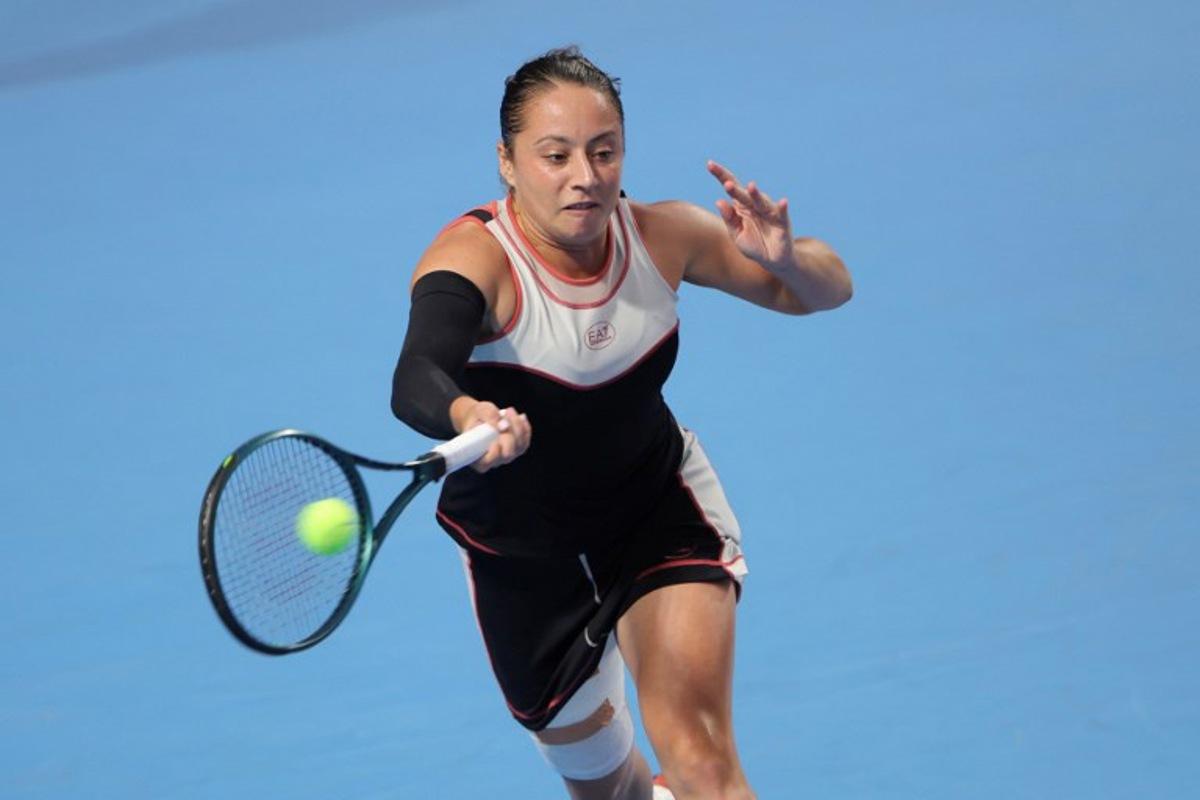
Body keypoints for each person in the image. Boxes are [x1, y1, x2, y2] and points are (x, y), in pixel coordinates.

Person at [391, 46, 851, 800]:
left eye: (604, 152)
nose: (586, 175)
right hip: (524, 557)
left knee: (703, 765)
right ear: (506, 163)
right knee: (610, 792)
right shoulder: (476, 258)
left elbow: (831, 288)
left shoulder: (661, 234)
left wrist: (787, 259)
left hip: (653, 513)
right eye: (556, 154)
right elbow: (415, 375)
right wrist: (468, 412)